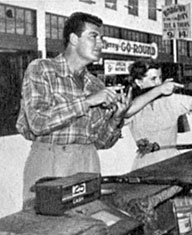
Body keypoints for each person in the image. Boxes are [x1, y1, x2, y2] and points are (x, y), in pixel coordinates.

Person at [16, 12, 132, 209]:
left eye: (101, 39)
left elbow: (101, 143)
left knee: (90, 225)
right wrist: (87, 102)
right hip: (49, 164)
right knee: (46, 226)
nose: (100, 44)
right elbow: (38, 122)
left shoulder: (95, 84)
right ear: (73, 39)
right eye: (94, 36)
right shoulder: (42, 69)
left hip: (88, 163)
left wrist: (115, 118)